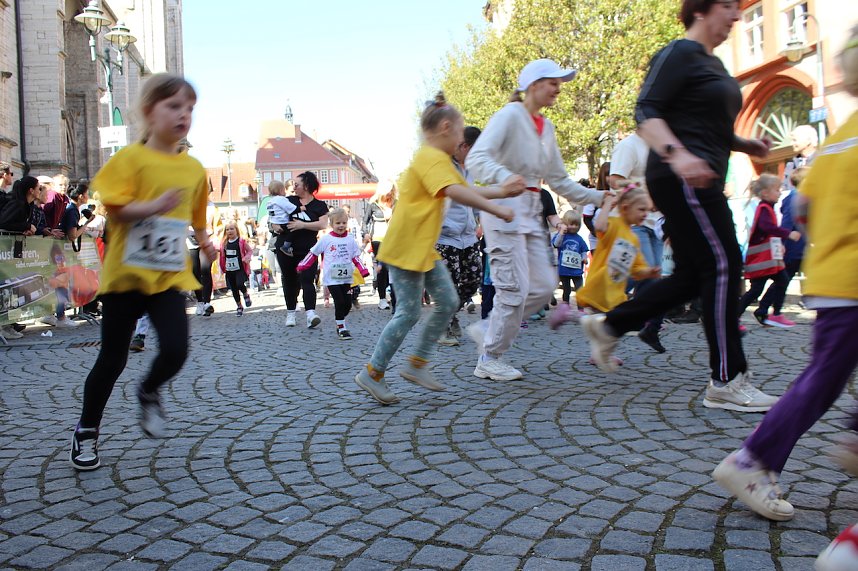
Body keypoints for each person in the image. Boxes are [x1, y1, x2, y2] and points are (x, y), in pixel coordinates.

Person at [581, 0, 778, 412]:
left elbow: (713, 128)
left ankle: (611, 325)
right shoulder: (679, 52)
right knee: (724, 265)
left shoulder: (715, 66)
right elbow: (646, 110)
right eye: (728, 5)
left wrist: (745, 144)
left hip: (700, 173)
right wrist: (678, 154)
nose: (738, 15)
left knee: (693, 274)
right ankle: (726, 378)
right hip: (682, 176)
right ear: (701, 10)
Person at [713, 28, 858, 523]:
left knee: (826, 377)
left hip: (833, 277)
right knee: (820, 381)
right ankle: (752, 459)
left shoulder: (839, 140)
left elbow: (806, 208)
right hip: (853, 282)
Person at [69, 74, 215, 471]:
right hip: (126, 276)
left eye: (190, 108)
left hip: (167, 276)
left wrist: (206, 243)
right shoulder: (130, 159)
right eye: (174, 106)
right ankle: (86, 431)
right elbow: (114, 209)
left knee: (176, 349)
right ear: (149, 112)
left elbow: (197, 216)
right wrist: (153, 206)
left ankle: (149, 391)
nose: (184, 115)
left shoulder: (194, 169)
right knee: (112, 358)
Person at [353, 92, 523, 405]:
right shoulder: (429, 158)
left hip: (422, 249)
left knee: (447, 301)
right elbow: (456, 192)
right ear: (446, 128)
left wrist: (501, 192)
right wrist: (498, 206)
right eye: (460, 134)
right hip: (406, 247)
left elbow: (463, 189)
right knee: (408, 312)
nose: (462, 142)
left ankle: (417, 364)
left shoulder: (437, 160)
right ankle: (373, 372)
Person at [464, 58, 608, 381]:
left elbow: (560, 181)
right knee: (512, 290)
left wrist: (599, 196)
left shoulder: (548, 128)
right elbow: (477, 158)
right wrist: (504, 177)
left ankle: (489, 328)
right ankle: (489, 356)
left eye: (560, 82)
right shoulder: (510, 115)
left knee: (543, 287)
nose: (558, 88)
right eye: (552, 82)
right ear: (532, 85)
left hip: (530, 211)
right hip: (503, 209)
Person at [576, 188, 660, 328]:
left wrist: (649, 272)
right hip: (599, 288)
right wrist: (608, 202)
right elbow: (599, 226)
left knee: (606, 334)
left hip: (615, 295)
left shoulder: (634, 238)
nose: (646, 214)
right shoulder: (614, 224)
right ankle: (568, 315)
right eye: (641, 209)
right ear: (626, 207)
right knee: (598, 325)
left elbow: (636, 269)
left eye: (648, 210)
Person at [436, 125, 483, 346]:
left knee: (472, 281)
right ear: (464, 146)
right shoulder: (443, 167)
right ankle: (442, 326)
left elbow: (472, 198)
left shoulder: (470, 170)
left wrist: (479, 220)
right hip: (445, 238)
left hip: (469, 237)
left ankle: (448, 316)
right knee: (449, 285)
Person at [737, 174, 801, 328]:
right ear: (765, 193)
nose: (780, 192)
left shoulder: (768, 208)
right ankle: (734, 316)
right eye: (777, 190)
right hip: (763, 260)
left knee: (781, 281)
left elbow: (767, 232)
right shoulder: (764, 208)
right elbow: (767, 228)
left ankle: (775, 314)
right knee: (757, 289)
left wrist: (779, 243)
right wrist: (787, 234)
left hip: (768, 259)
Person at [297, 208, 369, 340]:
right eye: (338, 223)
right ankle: (342, 328)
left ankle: (340, 322)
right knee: (339, 301)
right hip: (332, 279)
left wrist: (363, 269)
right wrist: (303, 265)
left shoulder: (350, 239)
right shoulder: (326, 239)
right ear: (331, 224)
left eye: (343, 223)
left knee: (347, 304)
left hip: (347, 278)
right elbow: (313, 253)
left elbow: (356, 257)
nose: (341, 226)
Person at [276, 171, 329, 328]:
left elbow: (323, 224)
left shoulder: (319, 205)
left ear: (306, 186)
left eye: (297, 184)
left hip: (308, 249)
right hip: (286, 248)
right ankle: (291, 312)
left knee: (307, 279)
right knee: (289, 280)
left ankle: (310, 314)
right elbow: (275, 217)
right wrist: (275, 226)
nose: (294, 187)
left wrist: (303, 225)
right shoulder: (289, 201)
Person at [548, 209, 588, 328]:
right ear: (565, 223)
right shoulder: (562, 236)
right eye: (571, 224)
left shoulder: (579, 238)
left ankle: (581, 310)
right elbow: (556, 244)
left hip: (576, 270)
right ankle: (564, 309)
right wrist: (561, 232)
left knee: (580, 290)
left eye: (576, 224)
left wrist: (584, 258)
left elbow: (583, 250)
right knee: (566, 290)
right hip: (564, 270)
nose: (574, 227)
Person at [364, 181, 396, 310]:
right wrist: (366, 234)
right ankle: (382, 298)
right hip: (378, 239)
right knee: (382, 269)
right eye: (386, 191)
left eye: (390, 191)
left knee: (393, 268)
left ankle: (391, 293)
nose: (388, 194)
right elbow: (365, 222)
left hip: (394, 239)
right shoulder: (373, 205)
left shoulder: (397, 203)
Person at [218, 220, 253, 316]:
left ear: (236, 230)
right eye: (227, 229)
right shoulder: (224, 243)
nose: (230, 231)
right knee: (233, 289)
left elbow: (249, 250)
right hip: (229, 270)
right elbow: (221, 255)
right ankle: (239, 306)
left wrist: (246, 258)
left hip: (239, 269)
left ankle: (245, 294)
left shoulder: (241, 241)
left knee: (239, 284)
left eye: (232, 229)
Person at [266, 179, 298, 256]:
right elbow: (270, 219)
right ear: (284, 190)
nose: (294, 194)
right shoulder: (282, 200)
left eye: (295, 191)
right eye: (292, 192)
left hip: (296, 245)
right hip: (279, 240)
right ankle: (286, 247)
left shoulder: (271, 201)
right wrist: (273, 225)